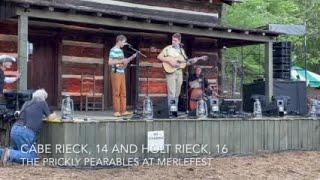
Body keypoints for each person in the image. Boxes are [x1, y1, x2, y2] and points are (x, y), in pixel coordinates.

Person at [0, 89, 56, 166]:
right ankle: (9, 153)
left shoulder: (26, 103)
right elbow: (50, 117)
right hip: (26, 131)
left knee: (18, 151)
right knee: (32, 156)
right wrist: (55, 115)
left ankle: (2, 153)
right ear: (43, 97)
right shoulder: (42, 102)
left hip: (14, 129)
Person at [157, 33, 188, 112]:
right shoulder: (168, 48)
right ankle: (171, 111)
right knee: (172, 92)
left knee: (177, 92)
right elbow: (159, 57)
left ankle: (174, 110)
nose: (173, 42)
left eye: (175, 40)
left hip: (179, 72)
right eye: (172, 40)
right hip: (170, 72)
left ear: (179, 41)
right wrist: (169, 61)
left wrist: (189, 61)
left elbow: (185, 62)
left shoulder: (182, 50)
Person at [108, 35, 136, 117]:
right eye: (124, 42)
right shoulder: (113, 50)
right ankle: (117, 111)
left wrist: (129, 59)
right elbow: (110, 62)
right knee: (116, 92)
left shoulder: (120, 51)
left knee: (123, 92)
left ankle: (123, 111)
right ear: (119, 41)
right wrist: (121, 60)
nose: (124, 44)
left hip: (122, 72)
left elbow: (122, 64)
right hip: (115, 72)